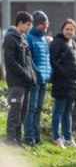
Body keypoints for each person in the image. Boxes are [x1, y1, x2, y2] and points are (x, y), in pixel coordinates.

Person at [3, 11, 37, 146]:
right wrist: (25, 74)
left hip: (25, 82)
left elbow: (28, 62)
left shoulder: (23, 38)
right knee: (15, 111)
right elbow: (10, 61)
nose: (30, 27)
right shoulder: (10, 38)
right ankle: (10, 139)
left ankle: (18, 138)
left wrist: (32, 76)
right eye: (28, 24)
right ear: (20, 23)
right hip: (16, 82)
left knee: (23, 112)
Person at [49, 19, 76, 148]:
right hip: (61, 83)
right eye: (67, 29)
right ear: (62, 29)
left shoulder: (73, 43)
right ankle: (56, 138)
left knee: (68, 111)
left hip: (74, 84)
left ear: (74, 31)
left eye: (71, 29)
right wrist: (63, 72)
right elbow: (52, 60)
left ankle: (68, 138)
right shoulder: (57, 42)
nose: (69, 31)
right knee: (59, 110)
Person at [23, 10, 52, 147]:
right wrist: (38, 72)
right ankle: (28, 136)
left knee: (39, 108)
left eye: (47, 24)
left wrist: (48, 72)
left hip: (43, 79)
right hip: (34, 80)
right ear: (37, 24)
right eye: (43, 24)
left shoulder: (43, 39)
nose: (46, 27)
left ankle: (36, 135)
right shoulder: (29, 38)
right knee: (32, 108)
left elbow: (47, 58)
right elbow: (29, 60)